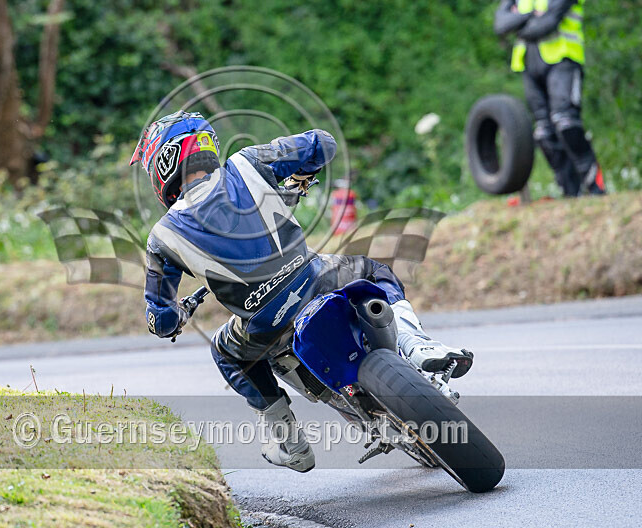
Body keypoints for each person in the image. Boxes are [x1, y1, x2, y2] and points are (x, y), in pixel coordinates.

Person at [130, 110, 474, 472]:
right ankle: (416, 345)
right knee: (374, 271)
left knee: (225, 351)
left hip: (265, 326)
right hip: (316, 279)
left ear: (165, 162)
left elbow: (160, 319)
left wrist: (179, 314)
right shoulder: (247, 164)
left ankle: (288, 441)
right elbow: (322, 143)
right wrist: (298, 178)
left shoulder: (162, 237)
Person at [494, 0, 605, 197]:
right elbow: (500, 25)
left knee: (566, 123)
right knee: (544, 133)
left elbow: (546, 24)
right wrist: (530, 16)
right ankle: (571, 193)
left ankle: (595, 188)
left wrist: (518, 23)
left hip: (563, 60)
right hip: (529, 65)